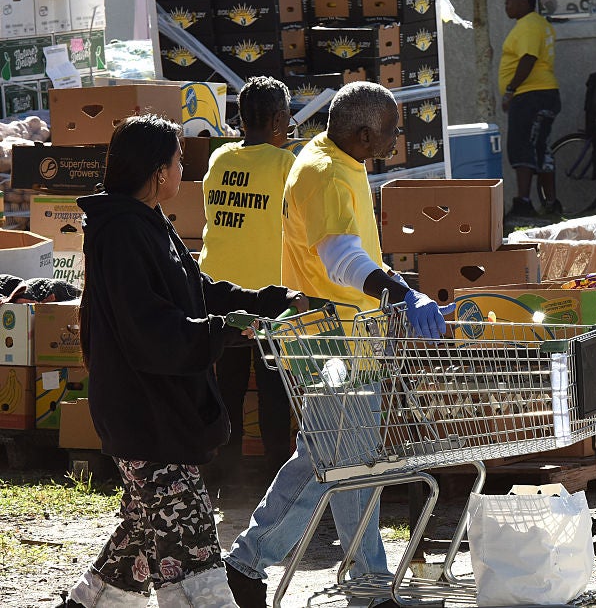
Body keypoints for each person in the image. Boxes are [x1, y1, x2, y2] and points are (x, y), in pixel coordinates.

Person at [64, 114, 305, 607]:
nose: (182, 171)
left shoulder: (149, 223)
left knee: (142, 535)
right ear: (158, 172)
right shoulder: (121, 232)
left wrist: (266, 302)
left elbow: (198, 291)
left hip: (161, 408)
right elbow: (150, 327)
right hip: (144, 411)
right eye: (178, 161)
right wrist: (222, 330)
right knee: (191, 548)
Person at [224, 82, 448, 608]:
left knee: (351, 463)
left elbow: (355, 249)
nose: (397, 139)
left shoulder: (335, 158)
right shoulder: (324, 173)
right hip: (331, 344)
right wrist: (400, 292)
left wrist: (392, 280)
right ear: (364, 132)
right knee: (329, 464)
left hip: (345, 339)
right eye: (391, 130)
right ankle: (247, 562)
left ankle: (368, 581)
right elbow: (340, 259)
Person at [199, 76, 297, 492]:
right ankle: (276, 482)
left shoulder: (219, 159)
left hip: (218, 292)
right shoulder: (286, 164)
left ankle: (225, 478)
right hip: (267, 296)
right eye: (288, 116)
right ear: (278, 119)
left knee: (229, 386)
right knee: (274, 388)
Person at [500, 0, 561, 218]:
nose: (507, 4)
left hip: (530, 95)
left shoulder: (527, 25)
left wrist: (510, 90)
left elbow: (528, 58)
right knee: (540, 147)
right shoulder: (538, 24)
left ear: (525, 1)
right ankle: (551, 203)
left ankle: (524, 202)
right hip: (544, 95)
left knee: (521, 145)